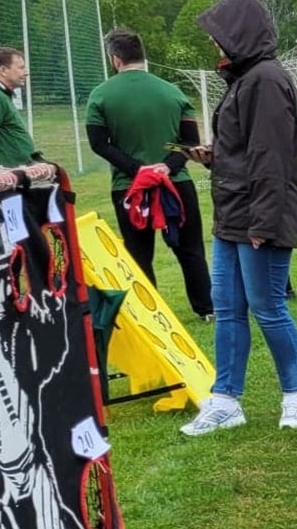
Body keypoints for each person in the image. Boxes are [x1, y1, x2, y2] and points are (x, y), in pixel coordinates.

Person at [180, 0, 297, 436]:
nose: (215, 47)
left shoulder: (267, 80)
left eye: (219, 38)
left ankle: (296, 397)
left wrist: (263, 224)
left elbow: (271, 159)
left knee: (268, 307)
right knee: (229, 308)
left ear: (238, 36)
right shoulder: (244, 80)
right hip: (232, 216)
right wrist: (215, 156)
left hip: (260, 218)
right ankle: (225, 400)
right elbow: (244, 150)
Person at [84, 28, 214, 320]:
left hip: (129, 188)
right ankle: (207, 308)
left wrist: (136, 169)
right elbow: (190, 142)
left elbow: (98, 143)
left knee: (139, 254)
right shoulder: (173, 91)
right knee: (191, 249)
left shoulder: (101, 95)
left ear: (115, 59)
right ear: (143, 55)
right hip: (176, 184)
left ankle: (150, 314)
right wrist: (167, 166)